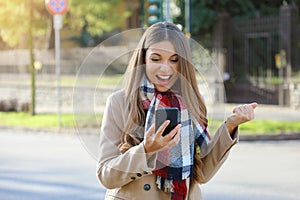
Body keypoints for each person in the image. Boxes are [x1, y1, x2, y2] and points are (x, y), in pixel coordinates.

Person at [97, 22, 257, 200]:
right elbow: (106, 176)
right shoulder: (120, 102)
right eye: (156, 59)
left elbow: (202, 173)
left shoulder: (193, 101)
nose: (165, 68)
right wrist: (146, 150)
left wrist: (230, 126)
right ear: (143, 60)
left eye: (174, 60)